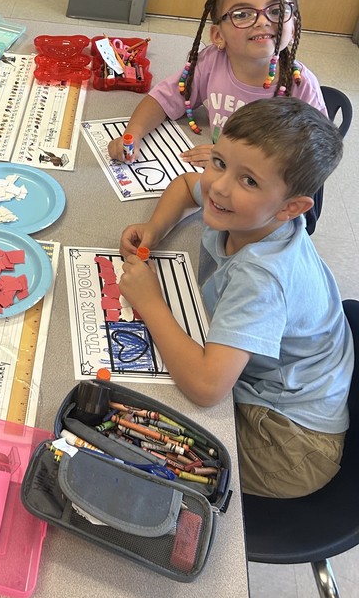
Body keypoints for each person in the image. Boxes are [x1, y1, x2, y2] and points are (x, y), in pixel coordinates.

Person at [118, 97, 353, 498]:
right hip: (273, 392)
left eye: (249, 181)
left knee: (131, 438)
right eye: (220, 162)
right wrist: (155, 228)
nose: (219, 187)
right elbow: (185, 187)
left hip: (289, 446)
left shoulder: (263, 276)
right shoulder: (239, 210)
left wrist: (150, 301)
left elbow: (207, 386)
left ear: (291, 208)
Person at [107, 0, 326, 168]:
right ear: (218, 36)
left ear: (294, 27)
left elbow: (316, 155)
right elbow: (163, 99)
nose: (262, 21)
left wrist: (232, 158)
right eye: (243, 14)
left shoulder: (300, 85)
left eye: (277, 10)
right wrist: (132, 134)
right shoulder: (212, 62)